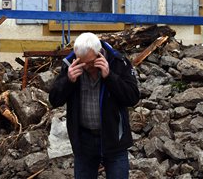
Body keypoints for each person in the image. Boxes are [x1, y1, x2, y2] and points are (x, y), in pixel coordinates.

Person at [49, 32, 140, 179]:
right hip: (84, 142)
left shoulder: (117, 62)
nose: (87, 67)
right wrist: (68, 80)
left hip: (114, 139)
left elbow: (132, 98)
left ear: (99, 54)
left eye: (91, 62)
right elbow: (54, 100)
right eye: (82, 63)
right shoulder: (71, 64)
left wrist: (110, 77)